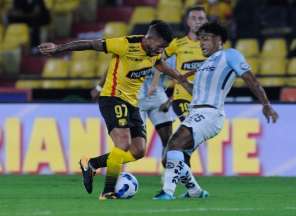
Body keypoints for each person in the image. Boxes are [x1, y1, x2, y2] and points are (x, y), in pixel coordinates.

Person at [38, 20, 187, 200]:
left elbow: (162, 66)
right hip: (112, 98)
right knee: (123, 143)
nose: (161, 50)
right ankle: (108, 191)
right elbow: (90, 44)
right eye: (160, 46)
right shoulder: (124, 44)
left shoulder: (155, 52)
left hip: (133, 104)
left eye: (164, 47)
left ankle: (92, 164)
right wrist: (58, 49)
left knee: (138, 151)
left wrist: (181, 78)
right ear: (150, 38)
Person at [153, 22, 279, 200]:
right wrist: (181, 82)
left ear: (219, 40)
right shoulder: (205, 64)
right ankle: (195, 192)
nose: (201, 43)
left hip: (210, 113)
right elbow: (197, 92)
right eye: (200, 40)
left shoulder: (230, 55)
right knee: (170, 157)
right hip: (196, 111)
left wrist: (265, 104)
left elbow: (250, 79)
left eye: (205, 39)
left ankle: (167, 192)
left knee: (174, 144)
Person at [161, 6, 208, 167]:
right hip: (182, 97)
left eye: (201, 18)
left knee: (192, 139)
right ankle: (176, 162)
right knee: (190, 132)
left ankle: (174, 155)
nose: (197, 22)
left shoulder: (210, 47)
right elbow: (157, 59)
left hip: (204, 100)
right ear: (188, 21)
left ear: (206, 21)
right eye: (194, 18)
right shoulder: (178, 43)